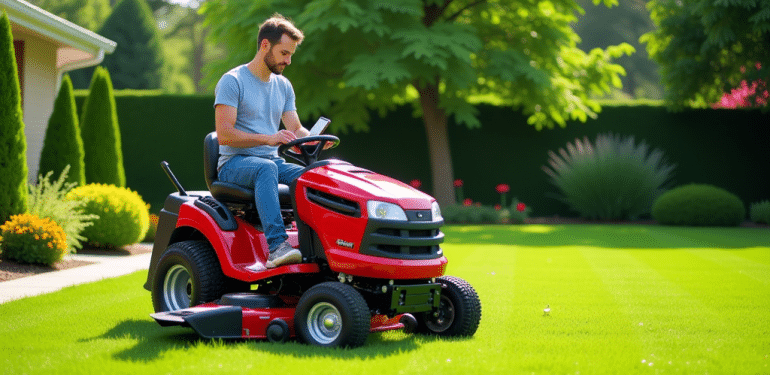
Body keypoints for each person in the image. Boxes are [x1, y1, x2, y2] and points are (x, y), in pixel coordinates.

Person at [213, 14, 308, 268]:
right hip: (235, 164)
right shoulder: (232, 81)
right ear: (265, 45)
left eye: (290, 55)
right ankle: (277, 247)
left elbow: (296, 128)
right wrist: (269, 139)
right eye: (284, 53)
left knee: (312, 176)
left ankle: (312, 243)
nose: (288, 61)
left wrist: (314, 140)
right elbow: (225, 134)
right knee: (266, 167)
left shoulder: (284, 86)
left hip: (270, 162)